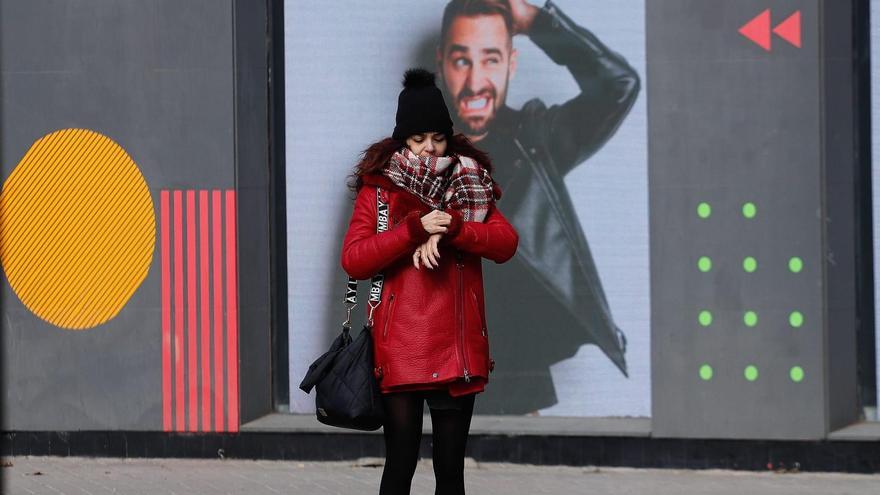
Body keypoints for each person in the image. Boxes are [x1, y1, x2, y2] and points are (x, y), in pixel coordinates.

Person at [435, 0, 641, 414]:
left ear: (511, 63)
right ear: (441, 64)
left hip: (515, 377)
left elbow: (619, 85)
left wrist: (538, 21)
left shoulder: (534, 142)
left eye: (490, 59)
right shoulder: (408, 158)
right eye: (462, 61)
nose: (476, 81)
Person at [341, 68, 518, 495]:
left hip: (456, 346)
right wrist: (414, 230)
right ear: (402, 139)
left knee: (451, 477)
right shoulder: (380, 188)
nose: (428, 148)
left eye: (437, 138)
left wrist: (454, 228)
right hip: (401, 345)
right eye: (418, 139)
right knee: (399, 468)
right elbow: (355, 260)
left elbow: (505, 243)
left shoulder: (468, 182)